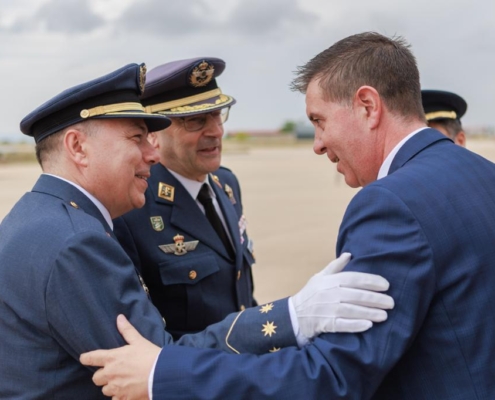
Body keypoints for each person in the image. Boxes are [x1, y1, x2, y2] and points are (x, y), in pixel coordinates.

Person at [81, 32, 495, 399]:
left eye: (319, 121)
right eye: (194, 120)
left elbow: (335, 375)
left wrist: (164, 375)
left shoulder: (390, 205)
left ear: (368, 106)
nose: (317, 144)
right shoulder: (482, 173)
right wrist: (292, 317)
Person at [0, 63, 394, 399]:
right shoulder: (76, 241)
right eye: (137, 138)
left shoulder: (40, 216)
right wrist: (291, 316)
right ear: (78, 148)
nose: (151, 154)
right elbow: (152, 364)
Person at [113, 57, 257, 339]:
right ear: (154, 134)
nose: (215, 131)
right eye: (195, 121)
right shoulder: (132, 208)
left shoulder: (226, 184)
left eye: (218, 115)